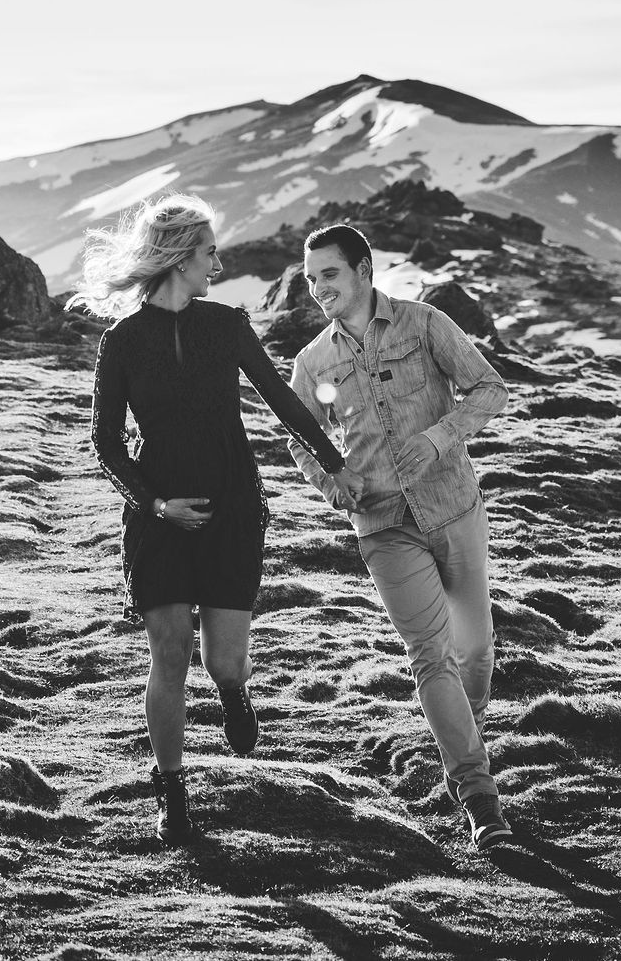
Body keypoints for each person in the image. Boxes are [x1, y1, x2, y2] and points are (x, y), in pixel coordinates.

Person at [73, 195, 358, 846]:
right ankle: (172, 792)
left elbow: (283, 399)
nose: (218, 263)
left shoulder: (227, 324)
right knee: (168, 653)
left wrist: (335, 463)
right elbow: (106, 441)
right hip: (159, 514)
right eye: (208, 252)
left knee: (225, 660)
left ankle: (233, 692)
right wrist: (154, 504)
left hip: (232, 505)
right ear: (178, 258)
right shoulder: (121, 341)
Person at [284, 223, 515, 850]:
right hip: (383, 527)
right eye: (310, 279)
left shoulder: (424, 323)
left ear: (362, 269)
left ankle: (464, 735)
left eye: (328, 273)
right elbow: (301, 437)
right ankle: (478, 797)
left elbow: (490, 388)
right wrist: (334, 485)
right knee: (429, 655)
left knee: (475, 658)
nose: (317, 288)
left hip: (453, 509)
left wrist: (439, 438)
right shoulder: (314, 362)